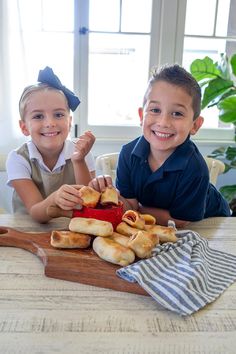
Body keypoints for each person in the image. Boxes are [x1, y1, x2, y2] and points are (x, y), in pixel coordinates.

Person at [89, 64, 231, 227]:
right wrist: (111, 195)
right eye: (155, 110)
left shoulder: (195, 168)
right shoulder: (128, 155)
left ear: (195, 125)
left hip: (214, 223)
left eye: (177, 113)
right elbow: (129, 208)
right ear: (142, 116)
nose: (163, 122)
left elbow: (183, 222)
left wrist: (139, 209)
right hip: (162, 222)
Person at [6, 66, 95, 223]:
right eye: (38, 116)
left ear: (69, 122)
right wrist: (55, 198)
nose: (50, 123)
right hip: (27, 232)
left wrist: (79, 161)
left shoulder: (82, 153)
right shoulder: (18, 159)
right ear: (24, 127)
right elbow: (35, 212)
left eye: (59, 114)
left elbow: (90, 204)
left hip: (70, 230)